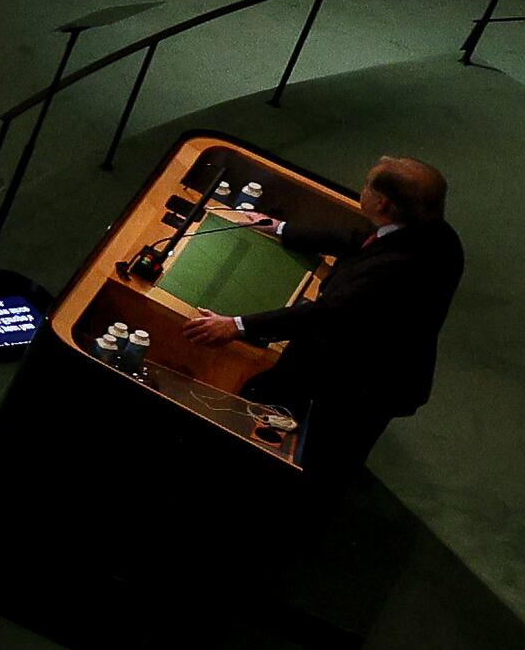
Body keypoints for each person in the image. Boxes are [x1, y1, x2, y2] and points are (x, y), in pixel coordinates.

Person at [178, 153, 465, 498]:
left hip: (359, 381)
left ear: (382, 202)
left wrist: (236, 326)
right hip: (381, 366)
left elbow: (327, 314)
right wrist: (281, 228)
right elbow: (362, 241)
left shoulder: (396, 267)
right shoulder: (436, 234)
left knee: (320, 454)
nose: (363, 190)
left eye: (367, 185)